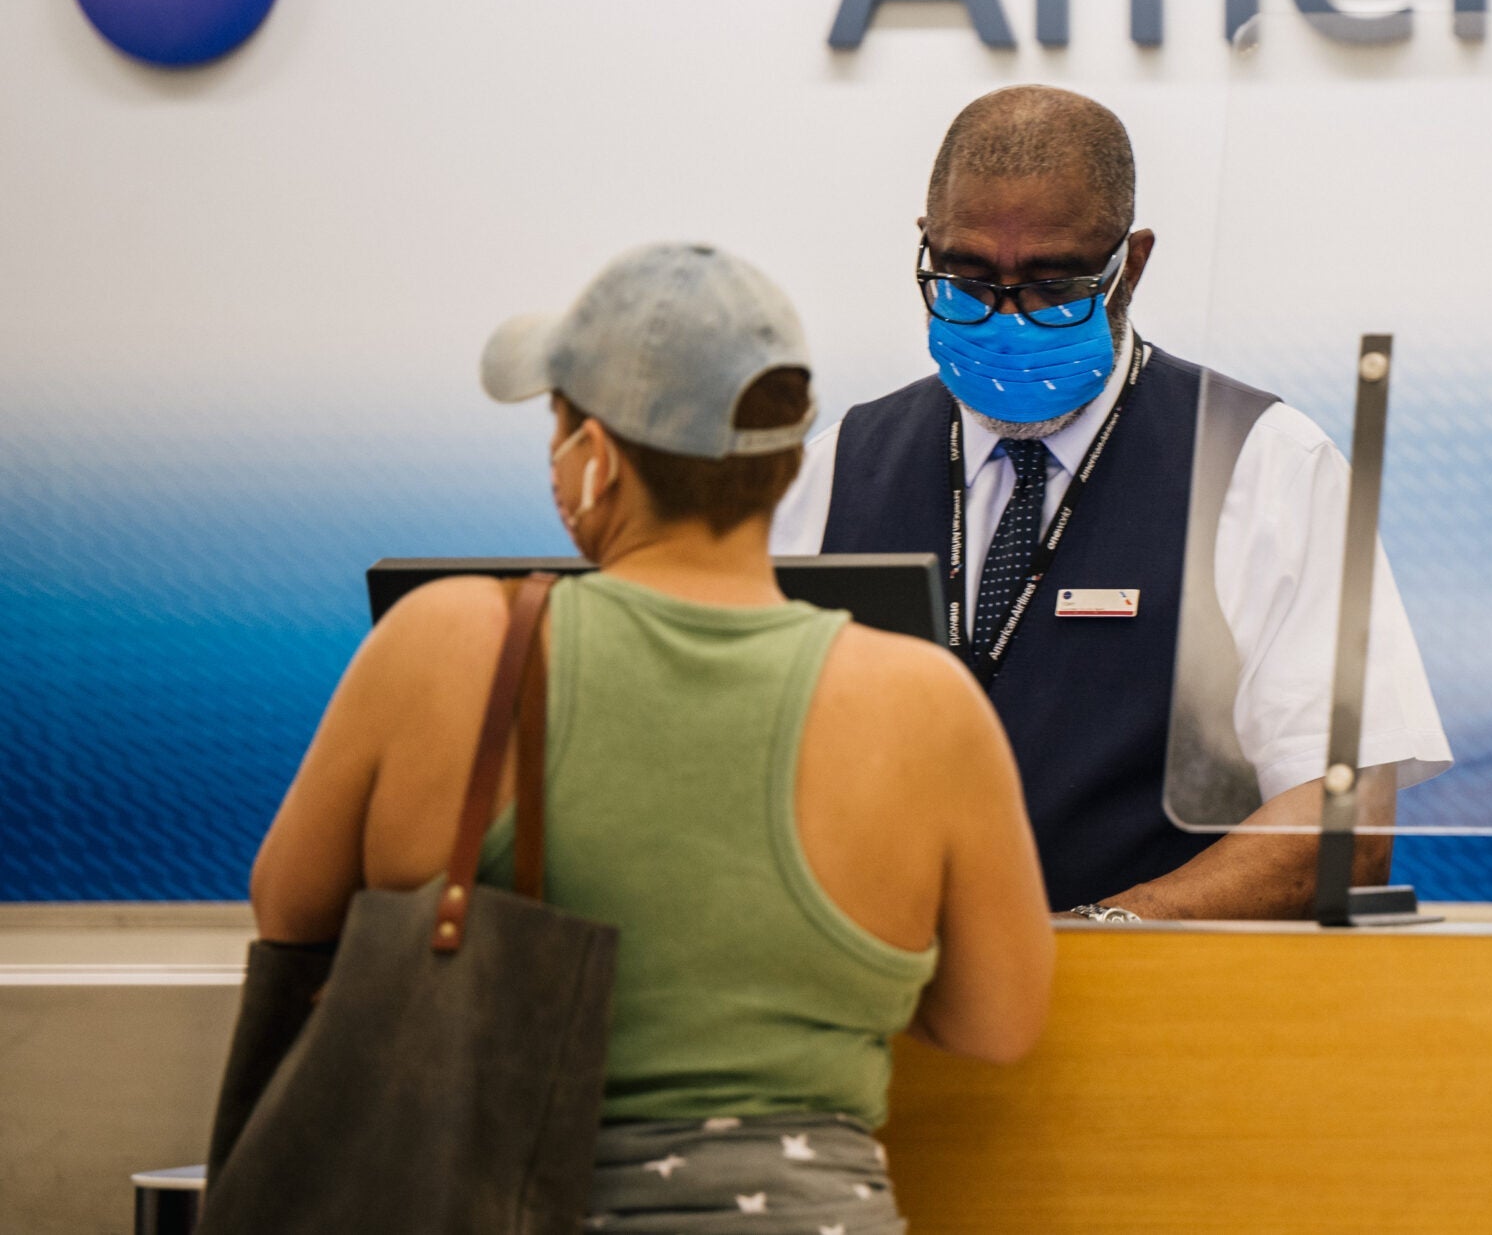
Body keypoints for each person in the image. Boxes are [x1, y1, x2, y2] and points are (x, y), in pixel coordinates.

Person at [251, 241, 1052, 1233]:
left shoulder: (450, 642)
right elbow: (997, 1021)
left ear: (597, 456)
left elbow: (289, 908)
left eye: (556, 426)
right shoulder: (925, 704)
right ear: (785, 455)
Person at [774, 86, 1451, 920]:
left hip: (1154, 988)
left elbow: (1343, 825)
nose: (1007, 316)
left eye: (1052, 285)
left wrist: (1105, 935)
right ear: (926, 240)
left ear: (1131, 263)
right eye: (967, 278)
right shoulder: (832, 470)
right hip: (881, 986)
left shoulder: (1263, 466)